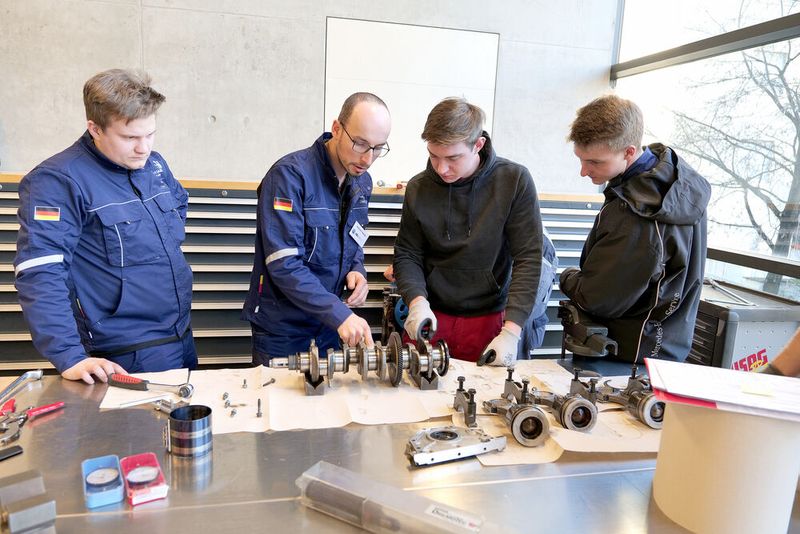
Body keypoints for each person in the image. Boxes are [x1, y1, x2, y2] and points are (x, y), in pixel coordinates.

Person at [14, 69, 196, 384]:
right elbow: (40, 271)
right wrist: (69, 355)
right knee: (147, 433)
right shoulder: (57, 181)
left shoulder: (153, 164)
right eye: (129, 137)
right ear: (95, 128)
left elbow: (178, 202)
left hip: (180, 333)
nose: (144, 147)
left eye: (149, 134)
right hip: (126, 350)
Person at [560, 94, 711, 364]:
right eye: (580, 159)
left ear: (629, 151)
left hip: (624, 353)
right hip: (668, 347)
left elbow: (598, 298)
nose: (584, 171)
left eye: (595, 162)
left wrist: (567, 277)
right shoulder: (674, 183)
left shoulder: (637, 213)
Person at [393, 97, 543, 367]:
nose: (441, 169)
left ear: (478, 145)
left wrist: (511, 331)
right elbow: (408, 253)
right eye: (433, 156)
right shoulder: (419, 187)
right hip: (431, 316)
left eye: (453, 158)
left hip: (491, 321)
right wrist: (416, 302)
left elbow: (529, 258)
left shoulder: (514, 181)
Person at [242, 93, 391, 365]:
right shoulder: (289, 176)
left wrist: (357, 269)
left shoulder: (361, 182)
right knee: (280, 405)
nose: (368, 158)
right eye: (360, 143)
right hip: (283, 330)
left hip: (329, 325)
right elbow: (284, 264)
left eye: (378, 148)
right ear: (336, 128)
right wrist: (339, 313)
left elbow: (353, 240)